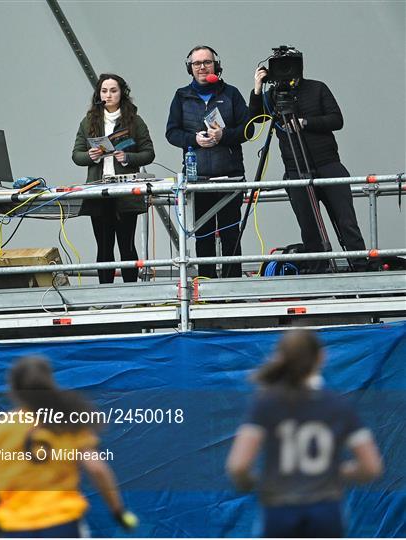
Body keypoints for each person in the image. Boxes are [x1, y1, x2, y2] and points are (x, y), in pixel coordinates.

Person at [0, 355, 138, 537]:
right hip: (62, 524)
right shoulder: (68, 422)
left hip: (14, 528)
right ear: (50, 383)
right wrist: (118, 511)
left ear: (14, 389)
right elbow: (97, 469)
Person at [226, 329, 383, 538]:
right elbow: (371, 467)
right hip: (326, 511)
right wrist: (334, 472)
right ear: (321, 357)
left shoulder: (266, 404)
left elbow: (238, 466)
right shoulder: (338, 405)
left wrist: (251, 482)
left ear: (281, 358)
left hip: (280, 509)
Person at [248, 51, 368, 273]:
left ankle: (360, 266)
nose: (286, 70)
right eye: (280, 66)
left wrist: (306, 122)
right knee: (308, 226)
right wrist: (258, 88)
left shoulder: (317, 88)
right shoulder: (272, 95)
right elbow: (256, 117)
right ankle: (318, 269)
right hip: (295, 168)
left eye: (289, 65)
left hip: (328, 163)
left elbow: (336, 119)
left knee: (346, 220)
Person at [166, 45, 253, 278]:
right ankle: (205, 286)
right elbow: (171, 133)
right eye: (197, 63)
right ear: (189, 68)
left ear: (216, 65)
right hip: (198, 178)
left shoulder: (231, 93)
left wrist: (223, 136)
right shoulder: (181, 96)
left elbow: (248, 129)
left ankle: (232, 287)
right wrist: (193, 139)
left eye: (207, 62)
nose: (202, 67)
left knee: (230, 234)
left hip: (230, 176)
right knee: (203, 235)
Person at [72, 74, 155, 284]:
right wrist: (89, 155)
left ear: (122, 93)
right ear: (98, 94)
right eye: (104, 91)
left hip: (125, 190)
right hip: (98, 190)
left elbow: (149, 153)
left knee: (126, 245)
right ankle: (105, 294)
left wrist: (128, 157)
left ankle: (132, 294)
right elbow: (76, 155)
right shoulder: (89, 121)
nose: (108, 95)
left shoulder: (134, 120)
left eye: (113, 91)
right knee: (104, 245)